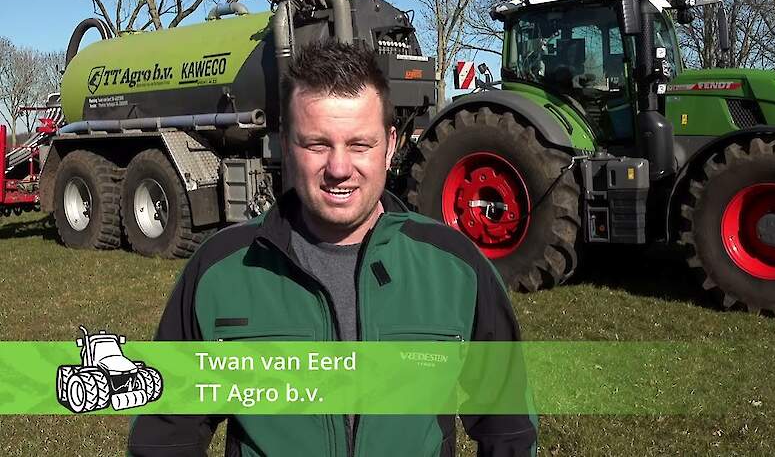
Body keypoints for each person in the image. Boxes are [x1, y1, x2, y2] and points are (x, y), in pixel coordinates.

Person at [128, 41, 537, 456]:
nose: (339, 169)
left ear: (390, 145)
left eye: (360, 145)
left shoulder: (455, 268)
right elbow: (164, 437)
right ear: (287, 146)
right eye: (317, 145)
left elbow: (508, 428)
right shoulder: (222, 271)